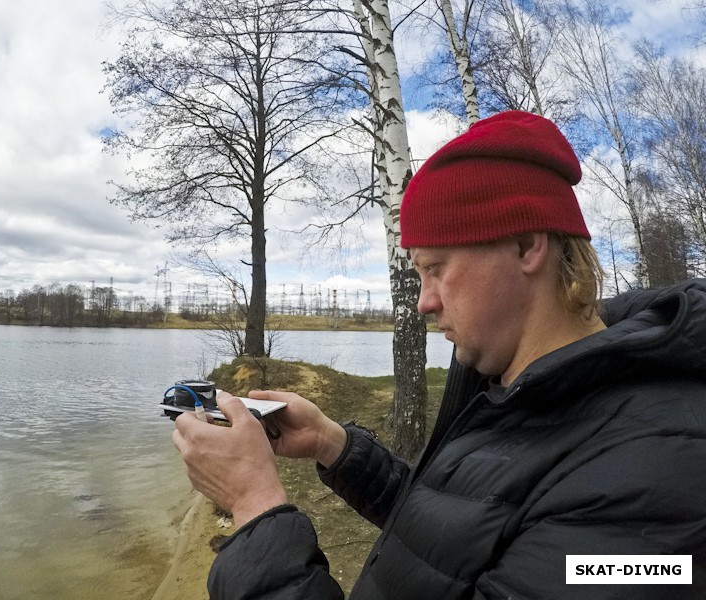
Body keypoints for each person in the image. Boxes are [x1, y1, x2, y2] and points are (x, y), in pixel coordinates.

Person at [172, 110, 706, 598]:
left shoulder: (654, 477)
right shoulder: (508, 387)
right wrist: (333, 446)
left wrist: (255, 505)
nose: (425, 302)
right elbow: (456, 539)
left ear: (525, 245)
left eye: (436, 268)